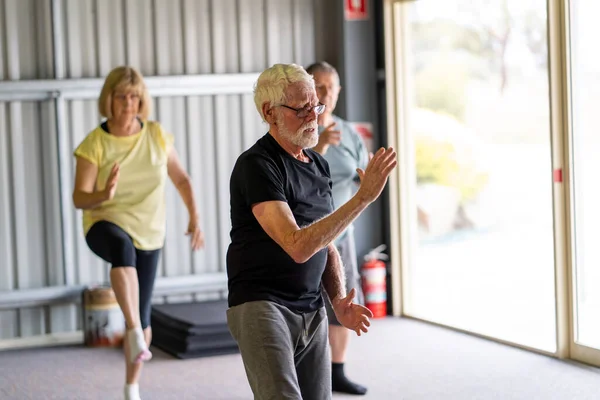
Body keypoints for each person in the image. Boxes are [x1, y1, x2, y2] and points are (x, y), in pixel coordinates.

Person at [226, 63, 396, 400]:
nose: (313, 117)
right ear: (269, 112)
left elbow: (325, 244)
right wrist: (363, 198)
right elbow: (297, 245)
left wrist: (337, 301)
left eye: (316, 106)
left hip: (311, 307)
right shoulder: (258, 166)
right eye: (301, 109)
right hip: (263, 304)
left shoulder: (318, 164)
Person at [72, 66, 204, 400]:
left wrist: (195, 218)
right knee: (122, 249)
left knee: (145, 319)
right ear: (109, 100)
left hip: (151, 232)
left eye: (135, 96)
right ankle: (130, 327)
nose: (129, 103)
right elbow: (79, 197)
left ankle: (132, 386)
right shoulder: (95, 144)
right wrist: (103, 194)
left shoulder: (157, 135)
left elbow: (182, 178)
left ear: (141, 100)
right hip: (105, 223)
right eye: (121, 96)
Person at [306, 61, 369, 395]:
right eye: (318, 86)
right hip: (307, 235)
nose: (325, 94)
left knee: (344, 301)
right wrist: (321, 145)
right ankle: (308, 371)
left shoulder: (349, 132)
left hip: (342, 235)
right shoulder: (299, 130)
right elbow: (297, 173)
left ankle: (338, 371)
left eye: (331, 87)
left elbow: (365, 173)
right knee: (307, 306)